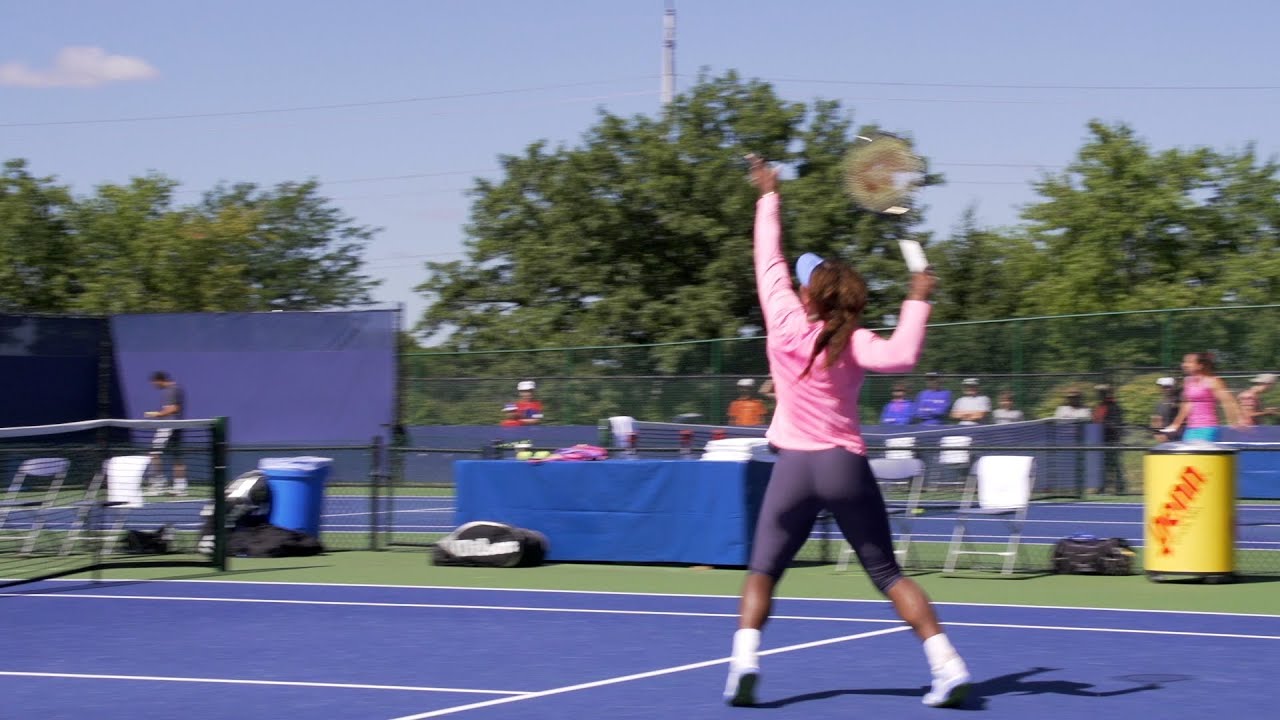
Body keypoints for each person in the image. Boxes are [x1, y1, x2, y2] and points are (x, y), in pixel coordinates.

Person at [724, 157, 969, 709]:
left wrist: (769, 195)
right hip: (843, 465)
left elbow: (768, 258)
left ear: (808, 296)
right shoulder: (854, 341)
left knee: (763, 570)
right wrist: (918, 297)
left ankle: (742, 663)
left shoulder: (784, 322)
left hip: (793, 469)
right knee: (885, 571)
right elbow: (904, 354)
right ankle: (947, 665)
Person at [1164, 352, 1242, 442]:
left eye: (1189, 362)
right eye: (1184, 362)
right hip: (1191, 429)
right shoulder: (1187, 382)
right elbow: (1187, 404)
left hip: (1208, 428)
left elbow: (1227, 401)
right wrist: (1176, 424)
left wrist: (1234, 419)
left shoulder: (1213, 381)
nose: (1184, 365)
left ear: (1200, 366)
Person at [144, 371, 186, 496]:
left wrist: (157, 414)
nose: (154, 386)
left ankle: (159, 485)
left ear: (159, 380)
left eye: (154, 383)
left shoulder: (171, 390)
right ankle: (180, 487)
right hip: (176, 426)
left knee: (154, 454)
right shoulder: (177, 389)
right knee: (177, 457)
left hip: (168, 427)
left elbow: (173, 409)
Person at [1092, 384, 1126, 494]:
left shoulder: (1114, 407)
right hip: (1101, 439)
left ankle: (1119, 487)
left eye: (1103, 393)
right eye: (1100, 393)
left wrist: (1106, 424)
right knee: (1101, 464)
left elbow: (1117, 423)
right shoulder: (1100, 406)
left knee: (1115, 464)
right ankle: (1102, 487)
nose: (1101, 395)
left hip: (1112, 439)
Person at [1150, 377, 1182, 443]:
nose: (1167, 389)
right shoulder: (1160, 403)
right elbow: (1156, 419)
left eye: (1169, 387)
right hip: (1166, 438)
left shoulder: (1179, 402)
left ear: (1173, 387)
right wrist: (1157, 433)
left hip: (1180, 437)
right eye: (1164, 387)